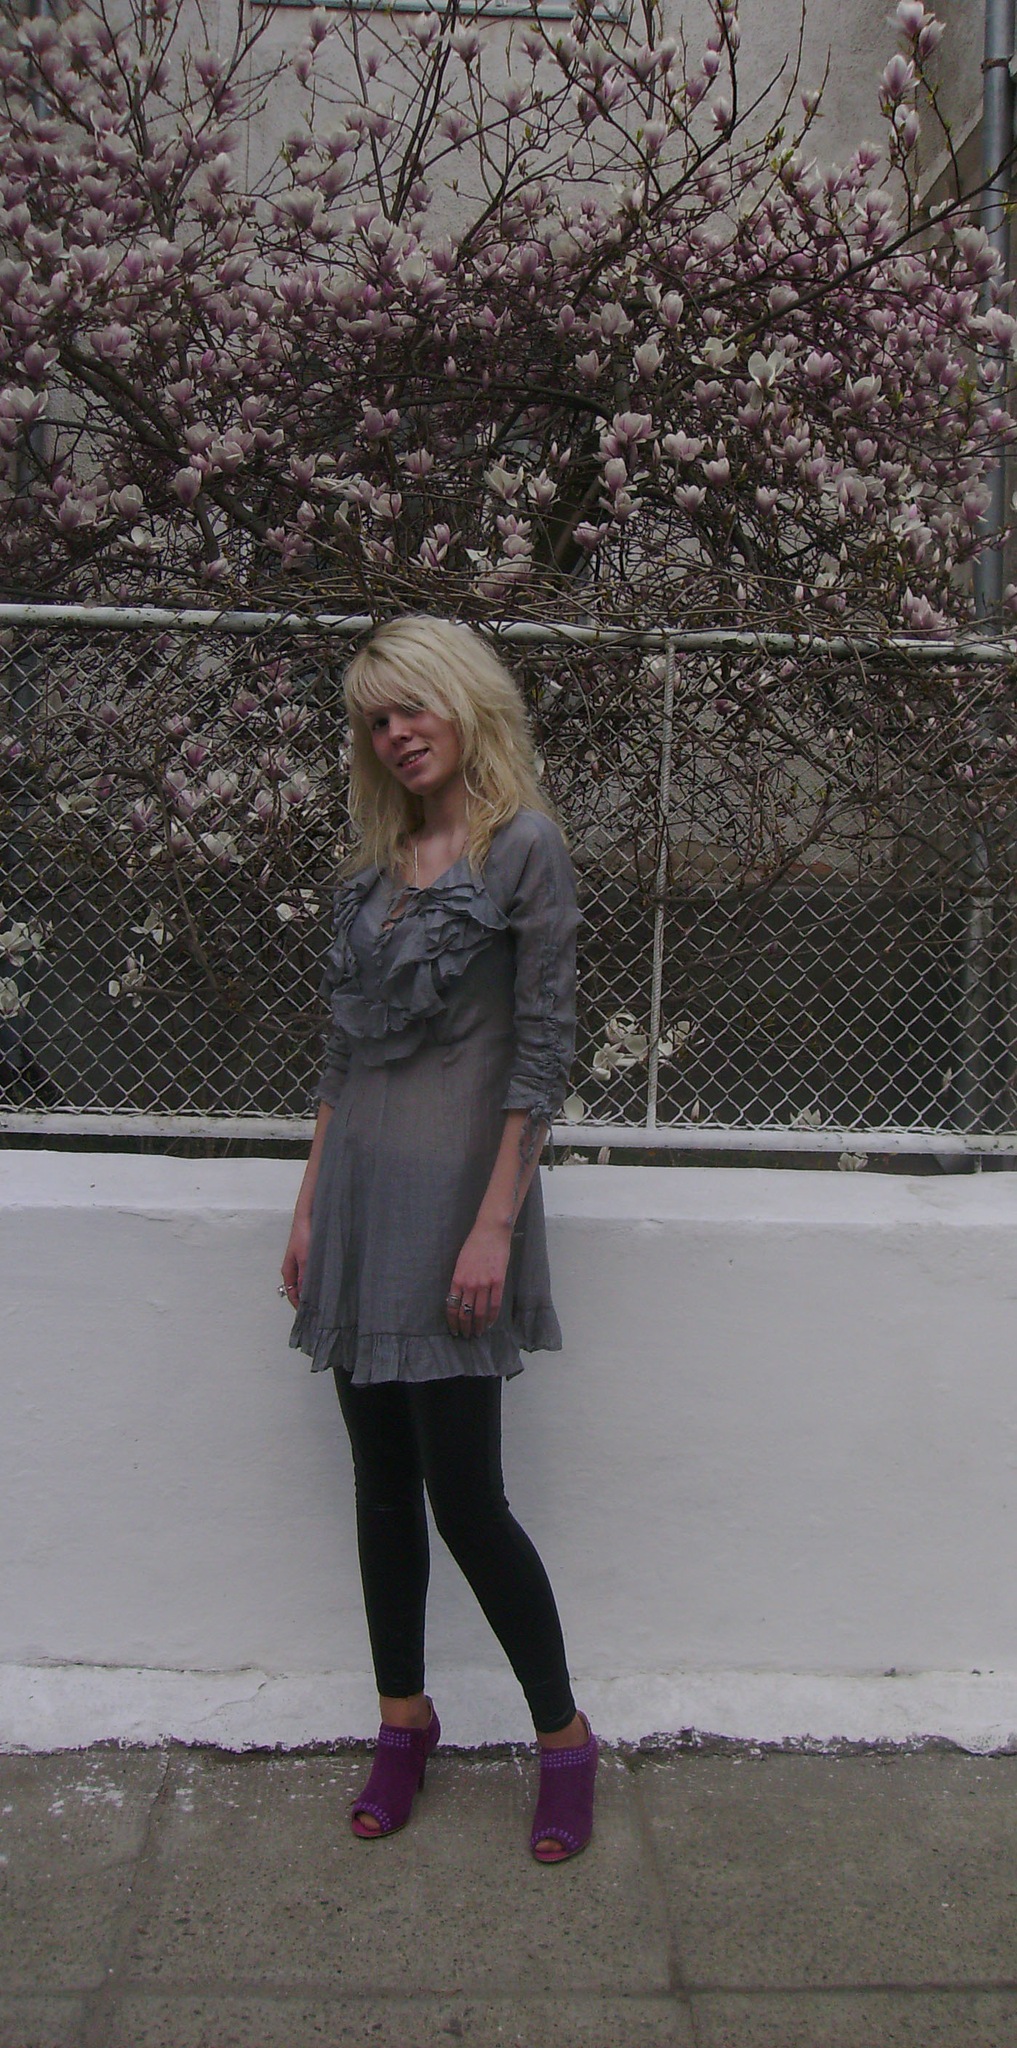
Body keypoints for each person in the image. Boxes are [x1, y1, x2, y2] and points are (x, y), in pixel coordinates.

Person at [280, 614, 597, 1862]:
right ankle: (402, 1719)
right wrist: (309, 1205)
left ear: (465, 702)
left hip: (460, 1210)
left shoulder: (524, 851)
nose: (396, 732)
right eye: (376, 717)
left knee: (468, 1497)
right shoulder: (376, 870)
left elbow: (544, 1051)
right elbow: (341, 1058)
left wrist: (495, 1226)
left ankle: (562, 1736)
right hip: (361, 1205)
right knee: (379, 1488)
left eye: (412, 704)